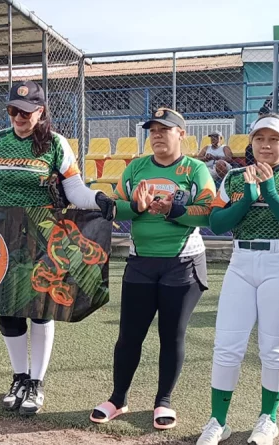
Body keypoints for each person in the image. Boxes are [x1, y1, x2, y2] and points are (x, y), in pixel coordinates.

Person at [0, 80, 115, 415]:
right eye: (14, 110)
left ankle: (36, 382)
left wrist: (97, 198)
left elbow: (75, 190)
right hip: (4, 237)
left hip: (44, 236)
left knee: (42, 313)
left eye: (26, 112)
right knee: (9, 315)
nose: (19, 116)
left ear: (41, 111)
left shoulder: (56, 145)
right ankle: (18, 377)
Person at [197, 114, 279, 445]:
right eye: (259, 139)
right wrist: (250, 196)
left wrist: (270, 192)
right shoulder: (236, 177)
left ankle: (268, 419)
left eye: (274, 139)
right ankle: (217, 421)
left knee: (273, 347)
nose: (266, 145)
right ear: (250, 143)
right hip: (241, 260)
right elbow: (219, 223)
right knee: (226, 346)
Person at [89, 108, 214, 430]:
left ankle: (163, 402)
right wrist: (137, 206)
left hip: (182, 264)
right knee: (129, 335)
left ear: (181, 134)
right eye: (153, 130)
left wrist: (176, 210)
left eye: (165, 129)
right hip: (141, 263)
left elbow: (209, 214)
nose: (157, 134)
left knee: (171, 336)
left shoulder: (195, 169)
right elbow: (114, 208)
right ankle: (118, 399)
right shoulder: (136, 168)